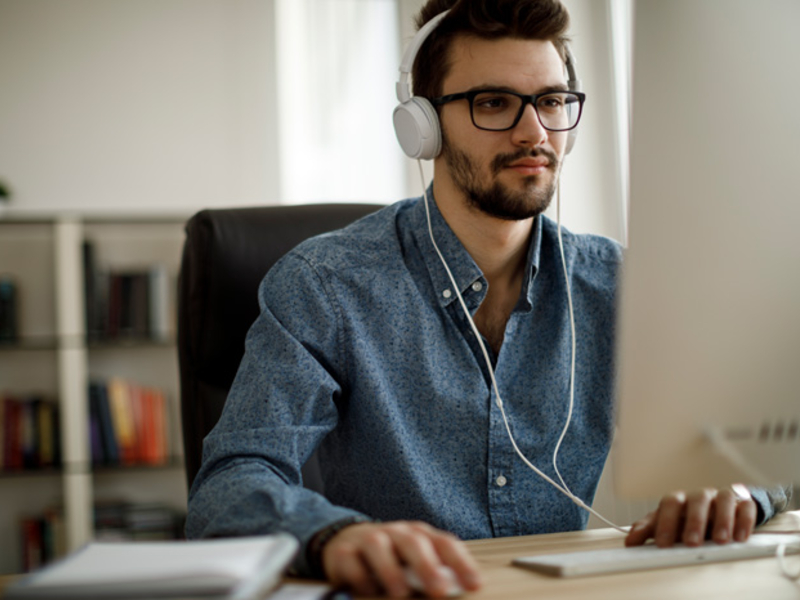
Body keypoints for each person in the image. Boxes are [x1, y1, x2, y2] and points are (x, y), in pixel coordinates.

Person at [186, 1, 791, 597]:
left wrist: (738, 490)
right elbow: (230, 484)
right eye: (494, 103)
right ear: (422, 126)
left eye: (552, 102)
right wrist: (329, 538)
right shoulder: (325, 284)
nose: (534, 133)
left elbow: (751, 448)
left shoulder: (622, 285)